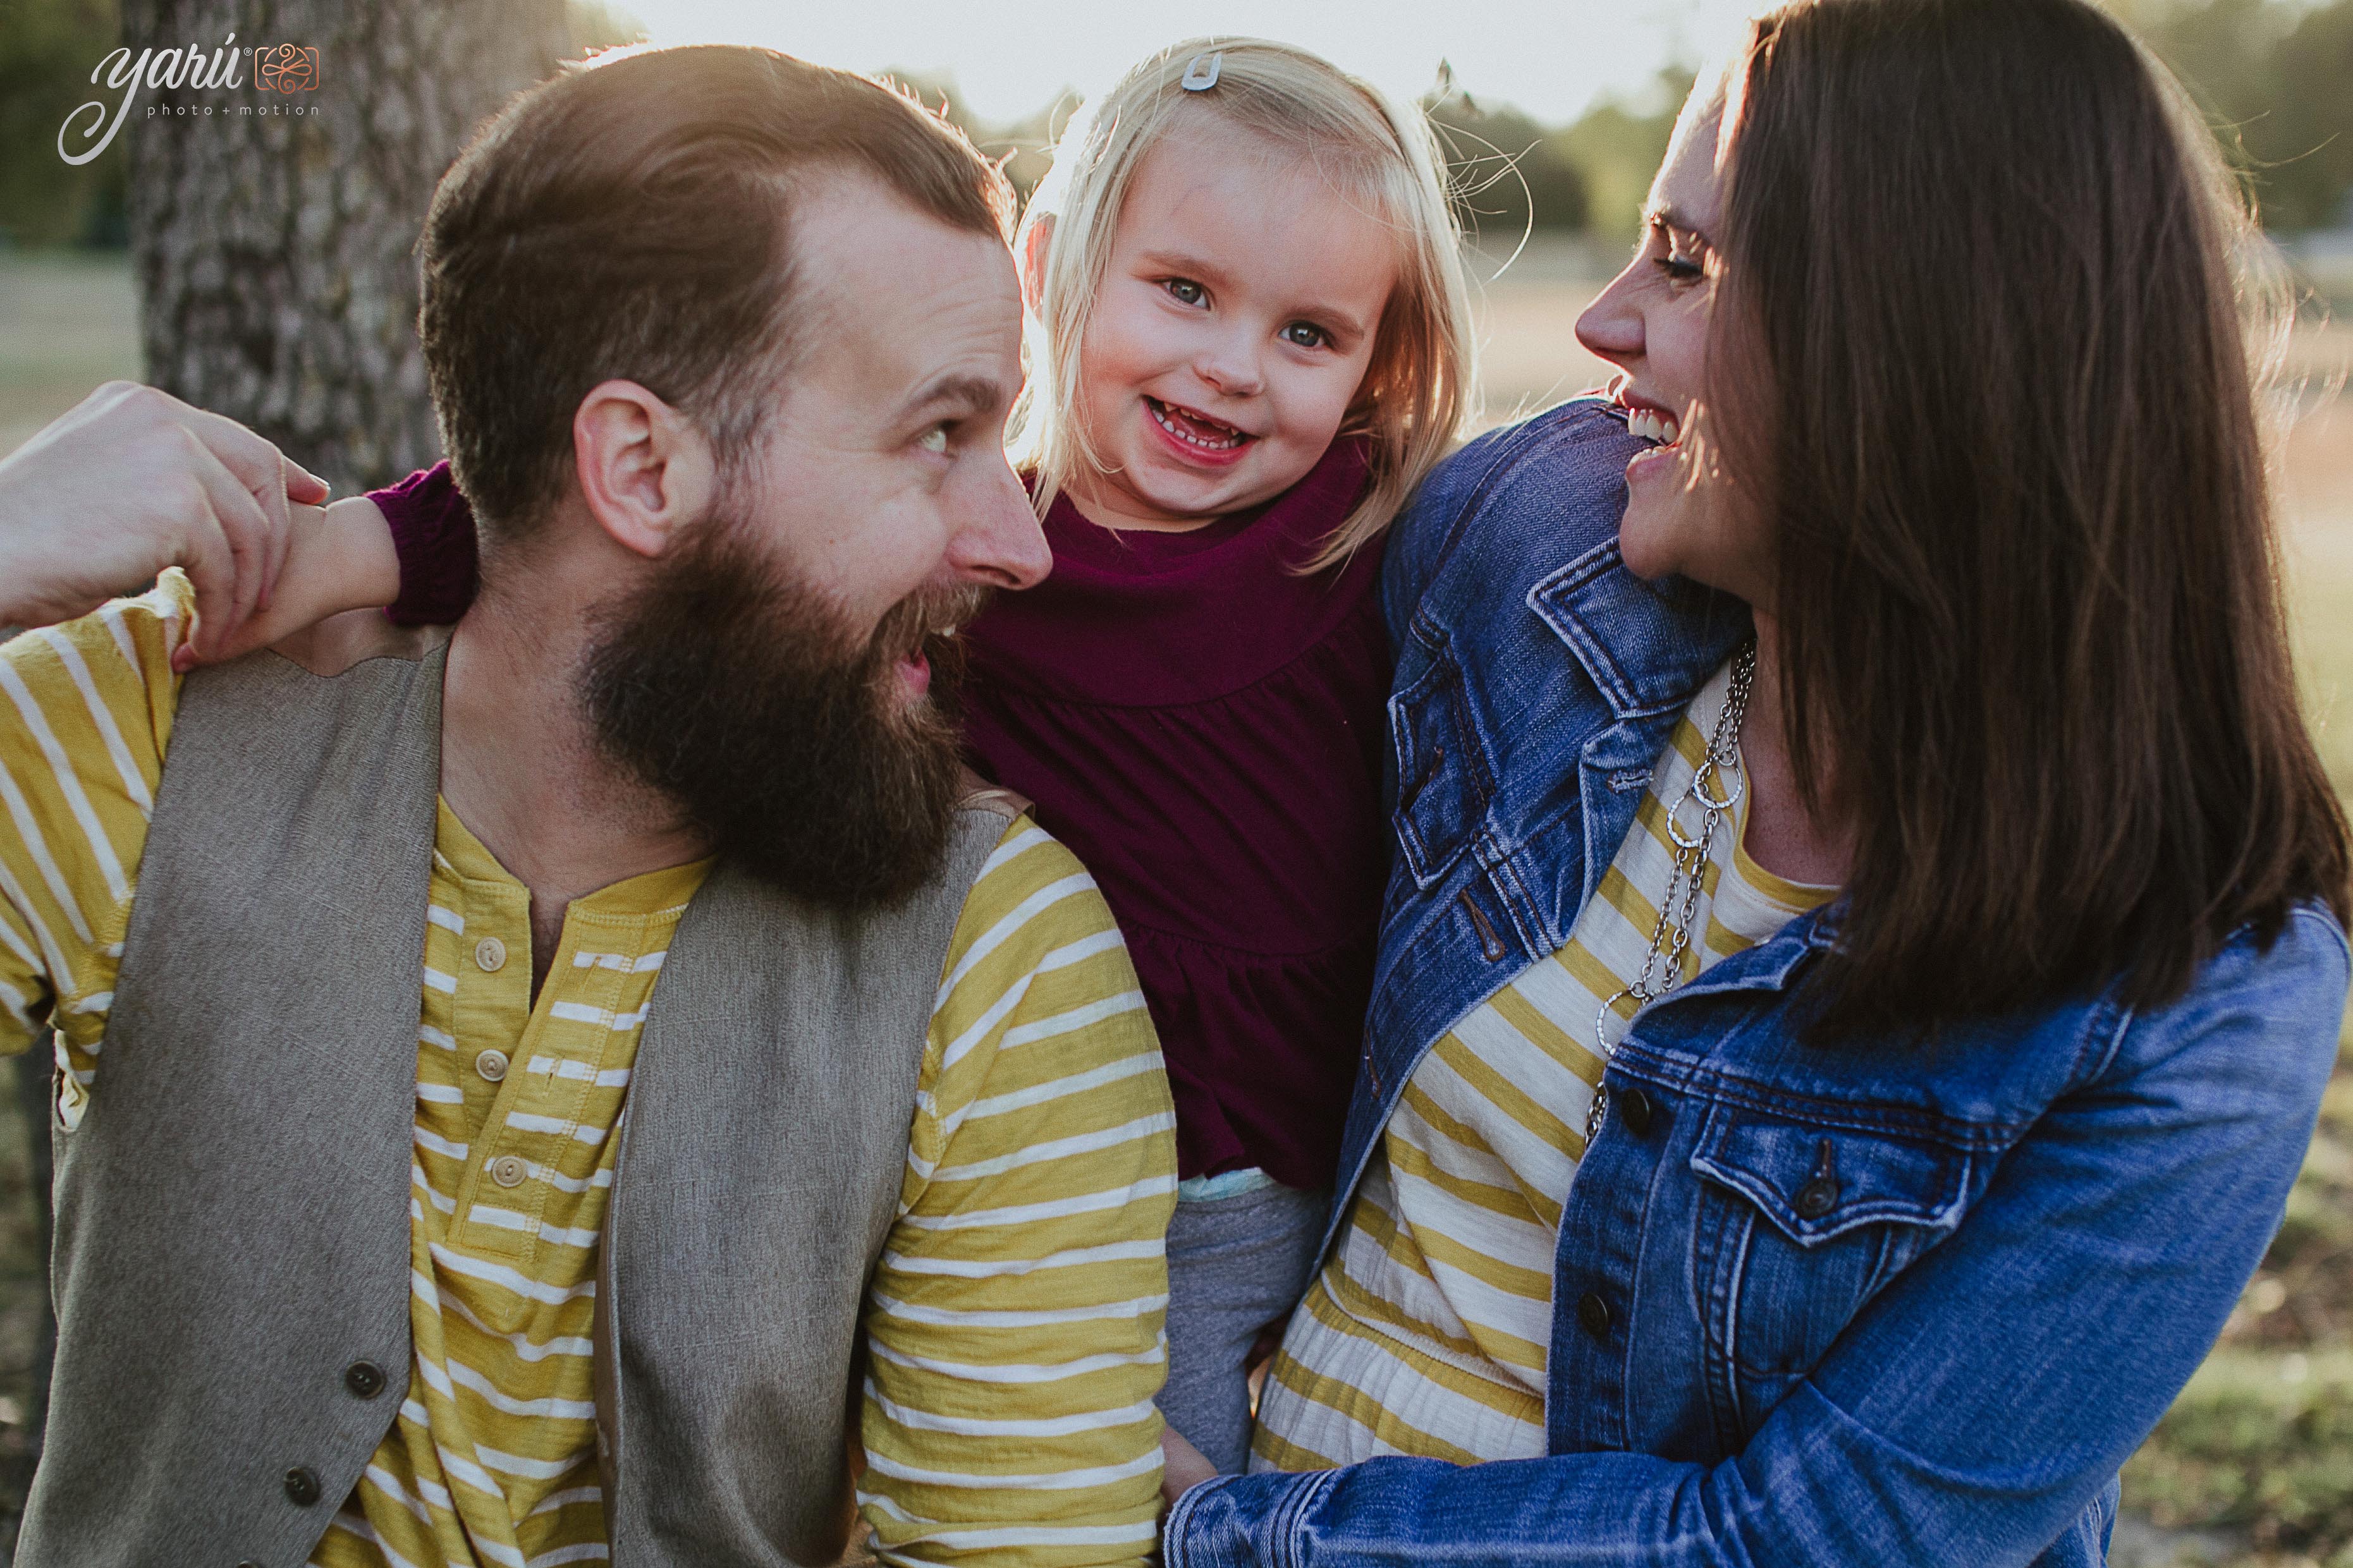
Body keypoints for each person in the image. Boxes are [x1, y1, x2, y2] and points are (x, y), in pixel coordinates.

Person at [1157, 0, 2353, 1560]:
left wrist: (1224, 1530)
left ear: (1917, 339)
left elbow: (1816, 1537)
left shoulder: (2200, 995)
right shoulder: (1533, 538)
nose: (1602, 322)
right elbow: (1152, 673)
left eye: (1685, 261)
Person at [0, 46, 1177, 1568]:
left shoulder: (1005, 959)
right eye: (938, 434)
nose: (1020, 545)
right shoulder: (156, 724)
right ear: (638, 466)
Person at [231, 37, 1474, 1478]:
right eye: (1184, 290)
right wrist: (354, 545)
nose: (1233, 366)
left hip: (1289, 1179)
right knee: (1084, 1473)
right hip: (1023, 1151)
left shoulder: (1356, 546)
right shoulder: (970, 539)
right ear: (1056, 265)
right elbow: (593, 512)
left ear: (1377, 364)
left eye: (1309, 334)